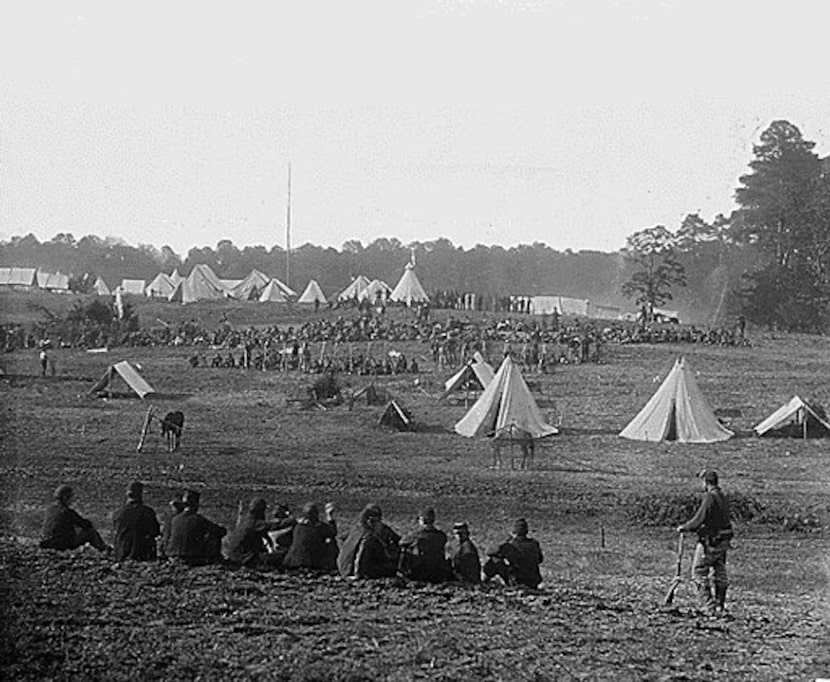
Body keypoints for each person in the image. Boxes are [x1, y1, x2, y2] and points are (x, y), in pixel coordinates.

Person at [677, 469, 733, 615]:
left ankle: (709, 607)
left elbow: (700, 518)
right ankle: (720, 605)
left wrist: (685, 527)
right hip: (723, 541)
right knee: (719, 572)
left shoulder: (710, 497)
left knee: (698, 572)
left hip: (711, 542)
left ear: (706, 482)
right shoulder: (724, 496)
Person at [39, 484, 111, 554]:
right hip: (60, 543)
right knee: (91, 533)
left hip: (46, 542)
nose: (72, 500)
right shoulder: (67, 512)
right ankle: (104, 549)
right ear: (65, 497)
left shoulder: (50, 509)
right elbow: (85, 524)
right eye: (71, 497)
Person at [226, 498, 294, 570]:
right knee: (283, 556)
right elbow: (274, 525)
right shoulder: (254, 523)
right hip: (245, 558)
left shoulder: (245, 521)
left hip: (236, 556)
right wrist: (293, 520)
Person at [165, 489, 227, 566]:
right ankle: (216, 559)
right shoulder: (199, 520)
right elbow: (219, 531)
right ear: (196, 504)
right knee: (213, 537)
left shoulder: (175, 519)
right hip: (192, 558)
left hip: (173, 556)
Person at [338, 504, 398, 579]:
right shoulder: (368, 536)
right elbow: (362, 555)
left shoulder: (357, 529)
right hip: (355, 569)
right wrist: (358, 574)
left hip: (344, 568)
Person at [483, 518, 544, 588]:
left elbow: (489, 552)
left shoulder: (512, 545)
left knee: (495, 560)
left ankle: (485, 581)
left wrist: (505, 542)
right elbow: (540, 559)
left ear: (515, 531)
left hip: (517, 580)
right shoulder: (534, 543)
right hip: (533, 581)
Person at [282, 502, 338, 572]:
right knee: (331, 542)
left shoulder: (298, 527)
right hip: (310, 563)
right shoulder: (319, 527)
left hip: (291, 562)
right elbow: (333, 531)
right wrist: (329, 516)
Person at [112, 481, 160, 562]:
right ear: (140, 494)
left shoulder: (117, 513)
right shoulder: (147, 512)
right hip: (141, 555)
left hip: (121, 556)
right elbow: (156, 532)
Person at [398, 507, 450, 583]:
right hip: (437, 571)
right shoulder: (441, 535)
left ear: (422, 520)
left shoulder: (417, 535)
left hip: (419, 571)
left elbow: (401, 542)